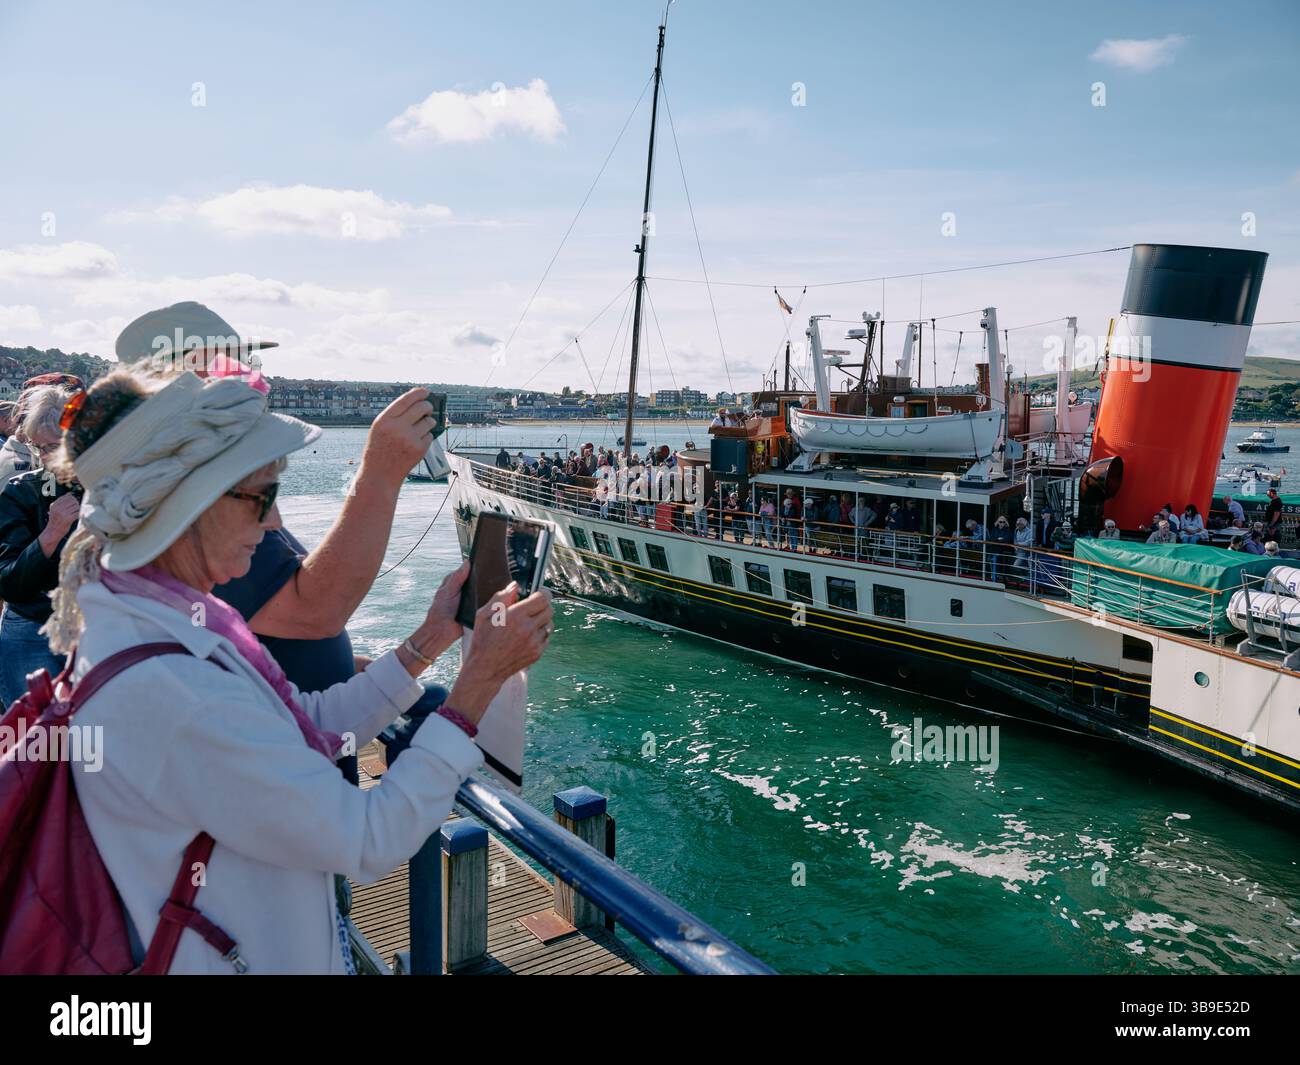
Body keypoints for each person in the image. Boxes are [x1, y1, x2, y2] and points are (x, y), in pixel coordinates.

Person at [46, 366, 554, 974]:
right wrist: (477, 688)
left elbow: (303, 722)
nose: (274, 522)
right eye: (262, 495)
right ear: (187, 502)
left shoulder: (161, 624)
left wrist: (430, 638)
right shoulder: (176, 687)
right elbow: (367, 839)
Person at [113, 305, 437, 784]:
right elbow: (313, 614)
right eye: (233, 367)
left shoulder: (193, 487)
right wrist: (381, 473)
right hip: (277, 784)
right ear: (181, 382)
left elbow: (260, 645)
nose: (251, 379)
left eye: (250, 367)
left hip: (291, 754)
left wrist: (384, 672)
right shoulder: (194, 506)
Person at [0, 383, 80, 705]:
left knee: (92, 741)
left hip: (92, 629)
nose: (45, 458)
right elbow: (9, 582)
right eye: (39, 448)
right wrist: (51, 534)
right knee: (42, 741)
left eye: (53, 447)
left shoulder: (105, 490)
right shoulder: (21, 492)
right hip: (32, 628)